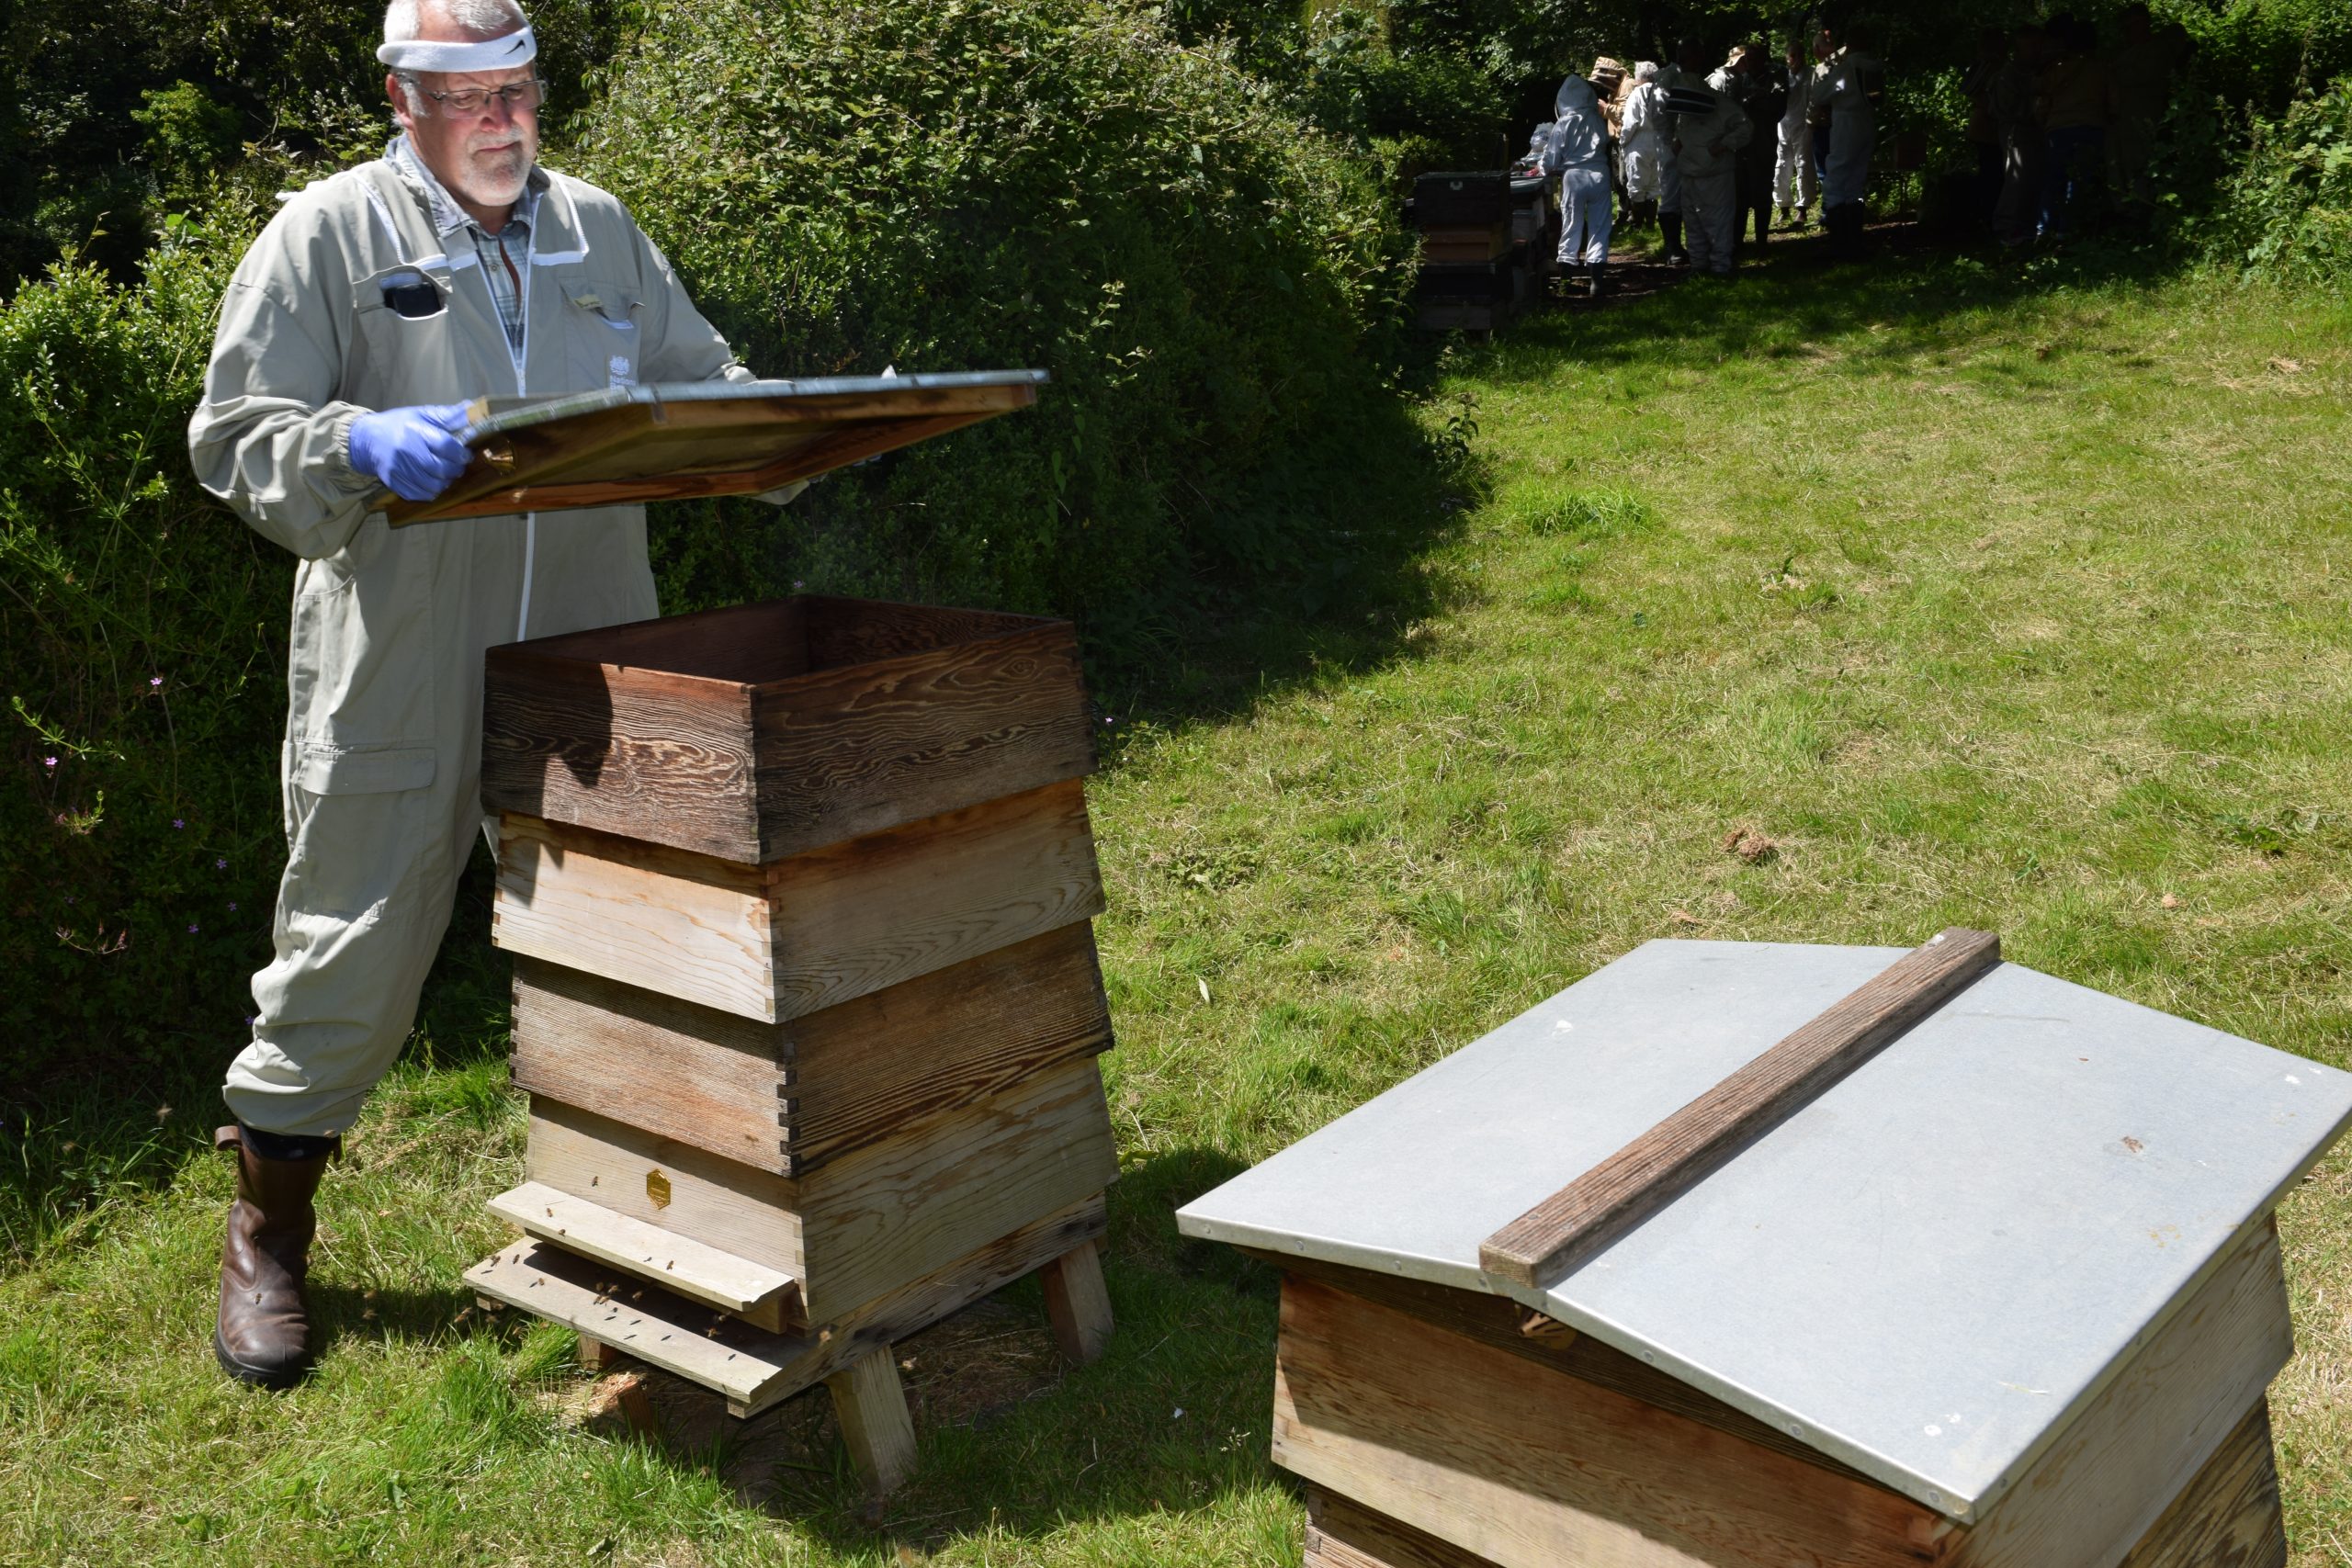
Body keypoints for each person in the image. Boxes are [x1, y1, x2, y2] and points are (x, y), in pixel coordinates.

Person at [185, 0, 790, 1390]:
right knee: (348, 945)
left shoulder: (598, 226)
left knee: (627, 939)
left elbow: (702, 384)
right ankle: (268, 1237)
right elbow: (237, 432)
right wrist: (348, 439)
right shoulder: (327, 235)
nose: (506, 121)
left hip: (593, 660)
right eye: (471, 99)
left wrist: (793, 427)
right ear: (404, 100)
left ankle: (653, 1226)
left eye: (521, 90)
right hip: (398, 655)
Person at [1667, 47, 1753, 278]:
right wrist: (1678, 142)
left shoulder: (1721, 104)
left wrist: (1723, 145)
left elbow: (1745, 128)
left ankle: (1720, 268)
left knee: (1718, 223)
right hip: (1690, 173)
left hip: (1716, 174)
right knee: (1693, 223)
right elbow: (1685, 126)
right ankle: (1699, 267)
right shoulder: (1685, 98)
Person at [1808, 23, 1883, 256]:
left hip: (1846, 123)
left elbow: (1821, 94)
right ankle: (1855, 239)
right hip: (1867, 123)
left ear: (1850, 45)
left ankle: (1840, 242)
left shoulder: (1847, 68)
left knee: (1836, 175)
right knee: (1856, 180)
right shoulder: (1876, 67)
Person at [2107, 6, 2185, 212]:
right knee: (2120, 166)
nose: (2131, 31)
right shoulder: (2122, 52)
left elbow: (2144, 76)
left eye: (2135, 25)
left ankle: (2146, 211)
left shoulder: (2157, 49)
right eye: (2128, 27)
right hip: (2121, 118)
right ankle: (2126, 212)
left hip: (2146, 115)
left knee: (2143, 163)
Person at [2038, 15, 2110, 239]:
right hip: (2090, 128)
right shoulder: (2101, 68)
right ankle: (2067, 232)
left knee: (2053, 181)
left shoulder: (2055, 69)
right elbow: (2114, 103)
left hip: (2057, 130)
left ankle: (2043, 231)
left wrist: (2045, 124)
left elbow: (2041, 101)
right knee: (2077, 182)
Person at [1544, 71, 1615, 294]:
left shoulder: (1563, 123)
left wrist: (1543, 169)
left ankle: (1565, 283)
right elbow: (1605, 141)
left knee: (1571, 226)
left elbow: (1551, 158)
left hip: (1574, 177)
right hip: (1599, 175)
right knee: (1599, 227)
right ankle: (1596, 283)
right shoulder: (1596, 119)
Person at [1712, 41, 1783, 261]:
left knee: (1762, 195)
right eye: (1748, 59)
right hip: (1741, 147)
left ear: (1764, 59)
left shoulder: (1776, 80)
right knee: (1739, 196)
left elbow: (1779, 109)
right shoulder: (1738, 81)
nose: (1750, 64)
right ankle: (1737, 241)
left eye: (1755, 59)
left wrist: (1758, 100)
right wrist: (1751, 99)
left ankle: (1762, 240)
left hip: (1764, 143)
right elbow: (1731, 110)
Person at [1993, 25, 2049, 247]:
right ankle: (2005, 229)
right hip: (2016, 134)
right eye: (2031, 46)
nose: (2036, 51)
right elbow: (2009, 109)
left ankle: (2025, 228)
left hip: (2036, 134)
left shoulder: (2038, 71)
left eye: (2039, 46)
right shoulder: (2008, 74)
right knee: (2017, 181)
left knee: (2035, 180)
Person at [1962, 29, 2009, 232]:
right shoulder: (1985, 66)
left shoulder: (1990, 65)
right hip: (1986, 127)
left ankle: (1988, 217)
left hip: (1990, 126)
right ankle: (1986, 218)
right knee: (1991, 174)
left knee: (1993, 173)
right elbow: (1970, 91)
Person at [1774, 40, 1818, 228]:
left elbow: (1815, 100)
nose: (1795, 60)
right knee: (1782, 165)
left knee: (1804, 165)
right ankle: (1783, 207)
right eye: (1791, 56)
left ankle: (1802, 208)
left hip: (1804, 126)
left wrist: (1812, 123)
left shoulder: (1811, 74)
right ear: (1787, 57)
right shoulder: (1781, 75)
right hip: (1783, 126)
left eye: (1798, 55)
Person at [1619, 62, 1667, 233]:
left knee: (1637, 184)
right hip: (1658, 142)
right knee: (1654, 185)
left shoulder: (1637, 93)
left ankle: (1636, 225)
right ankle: (1651, 225)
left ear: (1640, 76)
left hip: (1639, 142)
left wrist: (1623, 141)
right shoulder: (1662, 91)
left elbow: (1630, 122)